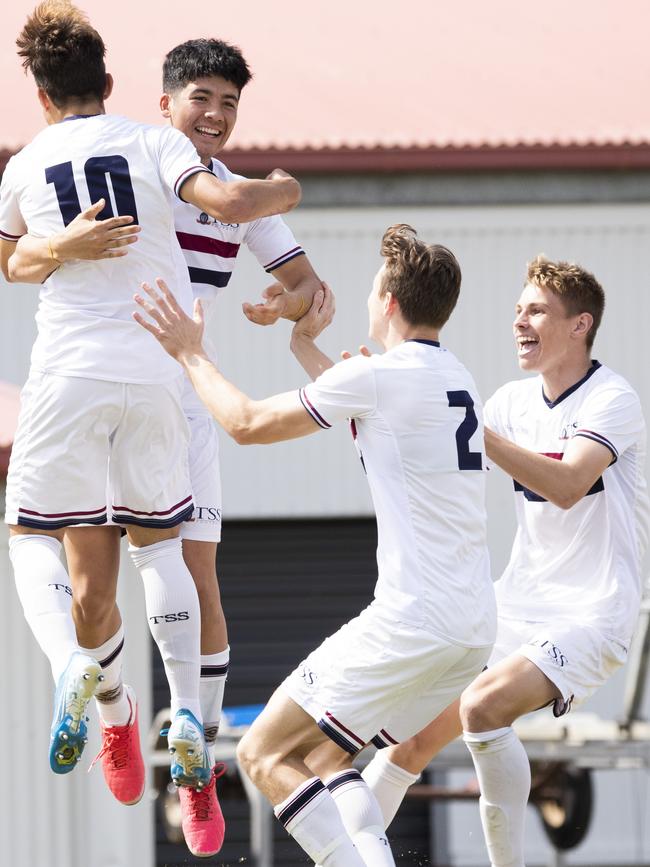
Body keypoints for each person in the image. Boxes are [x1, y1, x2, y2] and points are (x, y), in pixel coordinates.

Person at [9, 34, 321, 856]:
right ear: (161, 105)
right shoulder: (163, 160)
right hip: (142, 379)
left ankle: (195, 767)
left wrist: (280, 306)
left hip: (174, 388)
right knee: (94, 586)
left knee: (197, 570)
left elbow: (306, 286)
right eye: (202, 101)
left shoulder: (203, 177)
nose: (215, 115)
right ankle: (120, 718)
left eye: (230, 103)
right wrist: (285, 184)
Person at [133, 223, 497, 866]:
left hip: (413, 621)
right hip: (471, 631)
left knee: (261, 753)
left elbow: (245, 424)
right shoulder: (455, 375)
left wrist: (191, 353)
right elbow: (370, 412)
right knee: (327, 755)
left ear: (387, 301)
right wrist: (304, 343)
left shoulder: (383, 379)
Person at [358, 256, 650, 867]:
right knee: (408, 740)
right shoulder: (512, 400)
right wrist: (355, 385)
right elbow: (425, 432)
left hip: (592, 613)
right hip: (515, 603)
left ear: (580, 325)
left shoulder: (613, 399)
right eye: (518, 309)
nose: (520, 320)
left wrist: (478, 432)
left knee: (481, 707)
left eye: (537, 310)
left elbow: (569, 485)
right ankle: (343, 856)